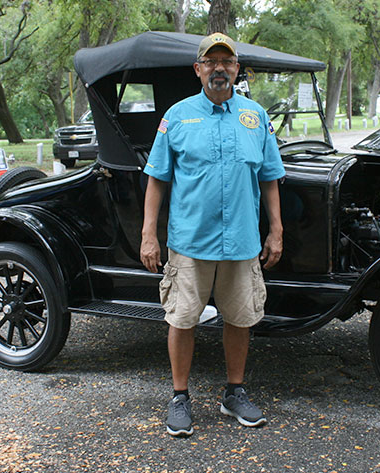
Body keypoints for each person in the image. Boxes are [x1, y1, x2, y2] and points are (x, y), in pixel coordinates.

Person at [140, 32, 285, 437]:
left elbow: (270, 177)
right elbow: (157, 179)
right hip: (190, 241)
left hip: (241, 240)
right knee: (182, 318)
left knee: (240, 318)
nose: (219, 69)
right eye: (211, 62)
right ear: (198, 69)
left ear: (237, 69)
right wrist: (149, 233)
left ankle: (234, 393)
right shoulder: (177, 116)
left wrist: (276, 230)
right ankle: (179, 397)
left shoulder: (255, 116)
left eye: (227, 62)